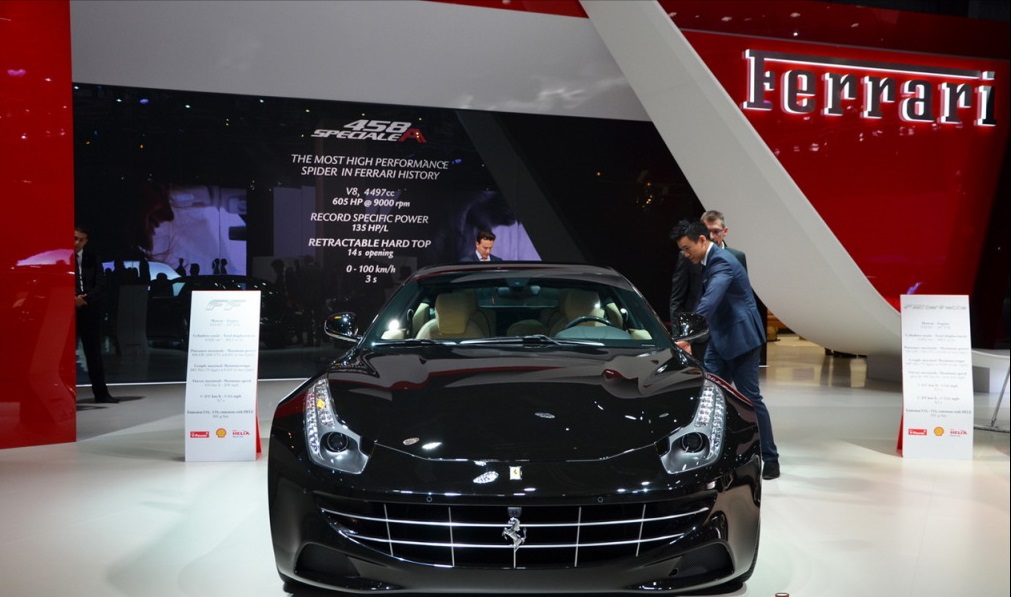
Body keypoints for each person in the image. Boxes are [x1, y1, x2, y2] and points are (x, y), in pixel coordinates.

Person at [672, 219, 779, 479]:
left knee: (750, 399)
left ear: (702, 240)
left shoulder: (722, 262)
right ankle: (710, 454)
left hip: (742, 340)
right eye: (682, 250)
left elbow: (710, 301)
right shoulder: (707, 261)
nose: (685, 255)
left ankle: (770, 459)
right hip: (719, 339)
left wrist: (687, 336)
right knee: (708, 394)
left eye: (687, 248)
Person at [74, 225, 118, 403]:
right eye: (75, 238)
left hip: (90, 311)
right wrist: (72, 298)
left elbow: (101, 285)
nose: (77, 242)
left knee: (94, 354)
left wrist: (84, 299)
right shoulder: (62, 259)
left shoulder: (94, 259)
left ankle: (101, 394)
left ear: (86, 241)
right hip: (67, 313)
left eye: (81, 239)